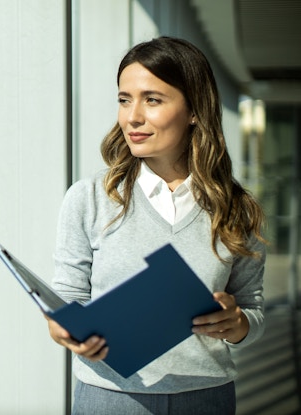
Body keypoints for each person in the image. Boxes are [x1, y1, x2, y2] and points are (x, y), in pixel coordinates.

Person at [47, 36, 266, 414]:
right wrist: (66, 329)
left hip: (207, 397)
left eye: (152, 99)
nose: (132, 116)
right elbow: (66, 300)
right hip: (110, 398)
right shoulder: (88, 198)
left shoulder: (237, 209)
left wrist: (238, 322)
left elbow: (253, 311)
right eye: (124, 99)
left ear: (194, 109)